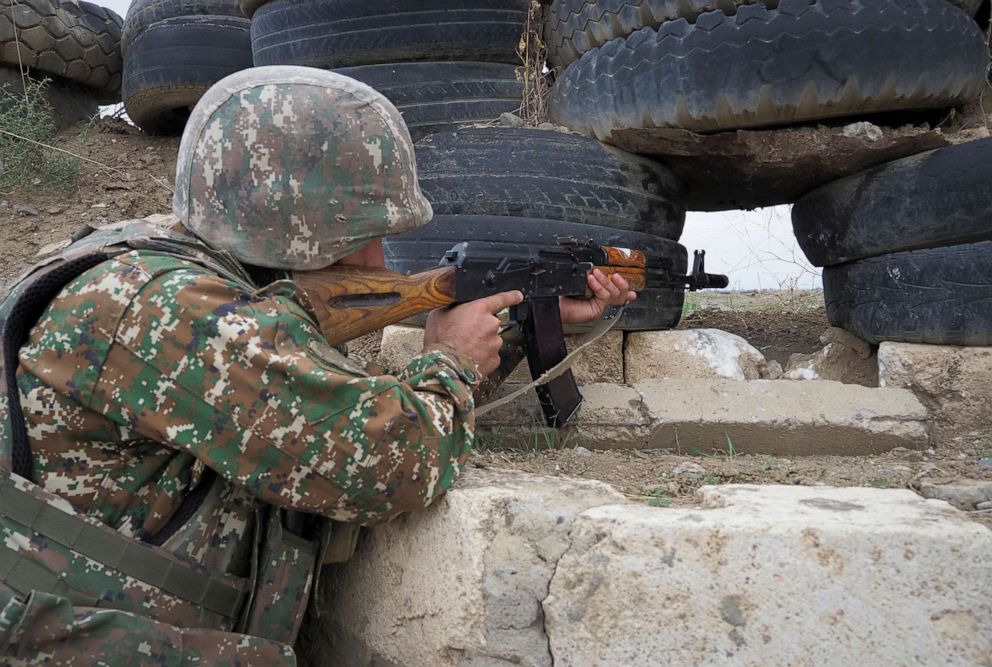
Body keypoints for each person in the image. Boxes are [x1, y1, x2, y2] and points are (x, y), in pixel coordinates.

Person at [0, 66, 633, 664]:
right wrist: (449, 361)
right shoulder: (170, 310)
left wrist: (525, 314)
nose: (382, 254)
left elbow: (304, 387)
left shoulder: (151, 258)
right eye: (366, 233)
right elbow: (389, 462)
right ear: (302, 225)